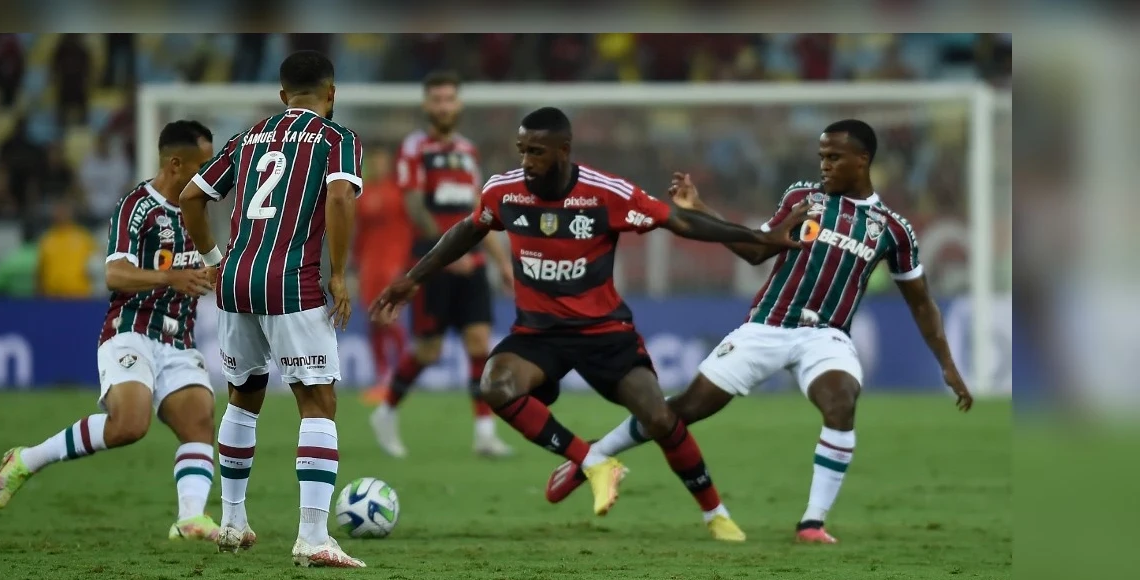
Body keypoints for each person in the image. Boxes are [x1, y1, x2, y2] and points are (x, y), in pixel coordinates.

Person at [371, 107, 806, 538]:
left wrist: (757, 237)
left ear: (564, 150)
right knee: (495, 386)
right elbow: (468, 230)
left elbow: (680, 222)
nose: (526, 161)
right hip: (538, 334)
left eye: (536, 152)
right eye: (522, 150)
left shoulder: (605, 193)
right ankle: (594, 461)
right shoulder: (504, 191)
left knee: (659, 418)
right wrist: (411, 279)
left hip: (604, 334)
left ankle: (716, 513)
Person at [545, 119, 974, 544]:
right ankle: (595, 454)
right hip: (766, 326)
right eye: (821, 156)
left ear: (863, 160)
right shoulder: (803, 198)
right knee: (683, 411)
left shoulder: (894, 229)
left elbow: (921, 301)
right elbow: (755, 249)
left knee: (841, 402)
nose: (824, 165)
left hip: (827, 336)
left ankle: (812, 523)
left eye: (834, 157)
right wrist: (699, 209)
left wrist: (949, 365)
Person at [0, 120, 223, 542]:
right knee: (128, 426)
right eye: (204, 165)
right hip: (131, 330)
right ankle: (26, 459)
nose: (212, 173)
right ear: (175, 163)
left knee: (200, 422)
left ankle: (190, 517)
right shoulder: (138, 205)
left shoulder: (199, 211)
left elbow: (210, 267)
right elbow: (114, 274)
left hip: (180, 338)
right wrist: (172, 278)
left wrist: (215, 275)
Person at [178, 50, 366, 569]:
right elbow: (342, 199)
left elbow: (192, 196)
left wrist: (214, 258)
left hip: (236, 280)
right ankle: (312, 536)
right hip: (291, 281)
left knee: (243, 395)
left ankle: (233, 523)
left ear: (283, 95)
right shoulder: (338, 139)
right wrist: (338, 273)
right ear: (331, 94)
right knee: (318, 404)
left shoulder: (247, 137)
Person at [369, 71, 516, 459]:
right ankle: (385, 412)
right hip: (431, 263)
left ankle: (485, 432)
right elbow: (415, 205)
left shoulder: (468, 152)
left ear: (459, 104)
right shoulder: (415, 148)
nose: (443, 106)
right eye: (436, 100)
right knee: (428, 350)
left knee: (479, 344)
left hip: (474, 262)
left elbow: (481, 210)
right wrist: (450, 253)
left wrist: (502, 262)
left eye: (449, 99)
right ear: (426, 105)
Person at [352, 145, 413, 404]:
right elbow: (359, 234)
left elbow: (409, 230)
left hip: (392, 264)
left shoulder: (397, 193)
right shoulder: (363, 195)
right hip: (370, 266)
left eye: (382, 161)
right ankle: (382, 377)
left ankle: (401, 375)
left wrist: (404, 264)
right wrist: (355, 265)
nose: (378, 166)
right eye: (374, 162)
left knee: (390, 318)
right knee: (374, 320)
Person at [35, 197, 96, 298]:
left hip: (80, 297)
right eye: (58, 211)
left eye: (64, 211)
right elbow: (40, 271)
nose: (61, 214)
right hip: (52, 298)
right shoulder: (46, 239)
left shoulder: (83, 237)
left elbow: (95, 266)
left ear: (71, 213)